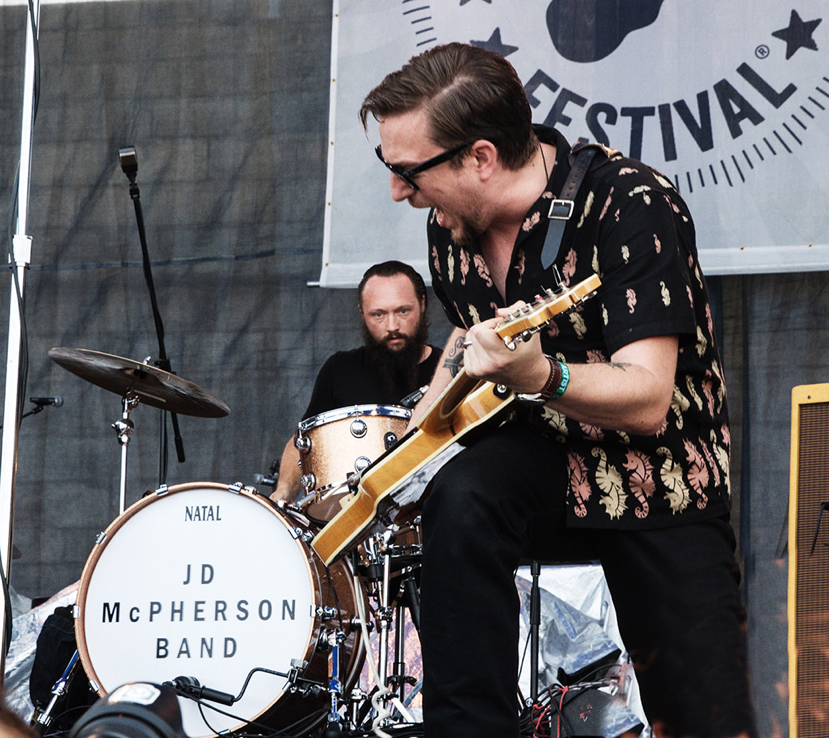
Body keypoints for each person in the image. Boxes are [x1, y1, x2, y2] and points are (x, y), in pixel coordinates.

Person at [359, 43, 756, 738]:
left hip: (663, 475)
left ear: (479, 157)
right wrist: (401, 446)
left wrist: (543, 376)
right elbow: (468, 342)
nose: (398, 190)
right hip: (543, 459)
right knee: (463, 498)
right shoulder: (449, 232)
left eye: (407, 171)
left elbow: (648, 396)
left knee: (705, 717)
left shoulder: (631, 202)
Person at [272, 260, 442, 502]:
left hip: (434, 513)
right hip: (355, 518)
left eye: (403, 311)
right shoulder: (340, 369)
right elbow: (304, 442)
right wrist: (284, 492)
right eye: (378, 315)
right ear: (362, 313)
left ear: (423, 305)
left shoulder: (448, 370)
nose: (392, 326)